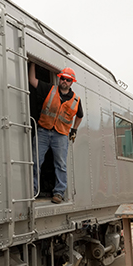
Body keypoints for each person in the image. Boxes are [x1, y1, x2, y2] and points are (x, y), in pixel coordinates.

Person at [29, 63, 83, 204]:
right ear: (59, 79)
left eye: (68, 80)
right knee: (36, 161)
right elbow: (32, 80)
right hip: (43, 131)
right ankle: (33, 190)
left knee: (60, 164)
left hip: (61, 135)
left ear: (72, 83)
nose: (65, 81)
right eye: (63, 78)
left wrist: (74, 129)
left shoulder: (76, 100)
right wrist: (32, 63)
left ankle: (59, 193)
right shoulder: (49, 89)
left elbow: (80, 116)